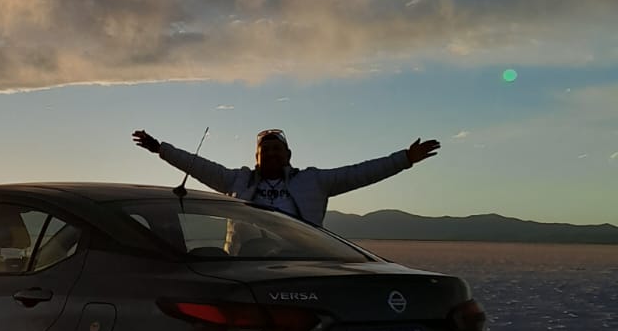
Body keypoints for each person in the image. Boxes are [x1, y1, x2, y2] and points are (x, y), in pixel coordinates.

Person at [131, 126, 440, 226]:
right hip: (247, 265)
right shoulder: (238, 181)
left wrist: (404, 159)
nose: (272, 155)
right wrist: (161, 149)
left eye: (278, 150)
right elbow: (198, 166)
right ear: (256, 158)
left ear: (289, 156)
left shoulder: (313, 182)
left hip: (302, 260)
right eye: (265, 151)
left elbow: (360, 173)